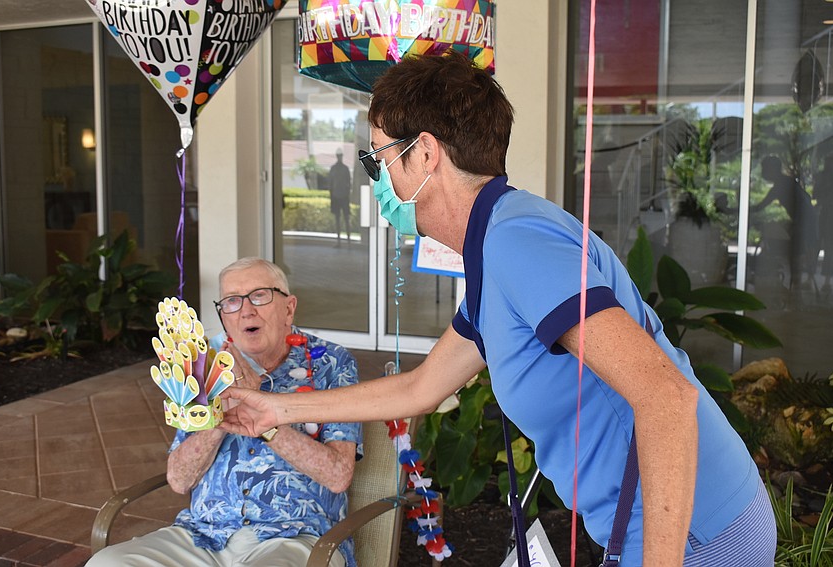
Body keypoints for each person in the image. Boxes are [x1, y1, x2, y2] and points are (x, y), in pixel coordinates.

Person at [219, 52, 776, 566]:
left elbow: (666, 395)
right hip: (674, 521)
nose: (378, 179)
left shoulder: (516, 243)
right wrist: (276, 411)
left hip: (700, 531)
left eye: (379, 158)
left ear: (426, 154)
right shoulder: (497, 240)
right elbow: (420, 389)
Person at [87, 257, 362, 567]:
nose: (246, 310)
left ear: (289, 308)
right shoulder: (204, 365)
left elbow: (338, 476)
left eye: (260, 295)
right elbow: (178, 480)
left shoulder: (331, 364)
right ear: (224, 316)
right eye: (232, 301)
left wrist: (263, 418)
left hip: (294, 539)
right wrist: (217, 418)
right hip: (202, 537)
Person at [751, 155, 818, 289]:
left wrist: (797, 225)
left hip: (804, 223)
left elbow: (760, 206)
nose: (763, 172)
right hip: (804, 222)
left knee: (796, 254)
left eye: (765, 168)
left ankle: (796, 285)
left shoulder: (783, 185)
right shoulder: (785, 183)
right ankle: (797, 283)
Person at [813, 152, 833, 287]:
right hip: (823, 212)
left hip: (831, 214)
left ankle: (826, 281)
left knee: (829, 246)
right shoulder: (822, 177)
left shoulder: (824, 177)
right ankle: (812, 277)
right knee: (817, 244)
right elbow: (815, 194)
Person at [328, 148, 352, 241]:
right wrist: (332, 198)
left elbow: (349, 184)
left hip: (344, 197)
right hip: (336, 197)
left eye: (340, 155)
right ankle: (338, 240)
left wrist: (347, 195)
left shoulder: (345, 169)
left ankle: (348, 240)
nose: (339, 157)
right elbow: (330, 184)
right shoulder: (333, 169)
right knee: (337, 219)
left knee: (346, 219)